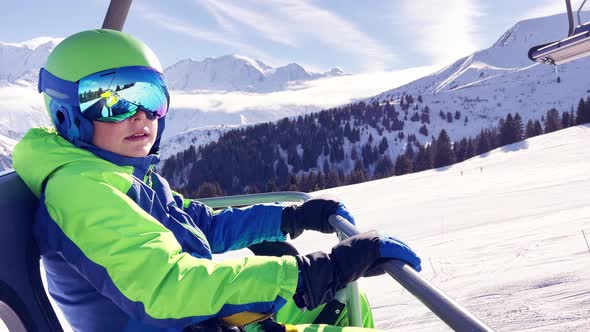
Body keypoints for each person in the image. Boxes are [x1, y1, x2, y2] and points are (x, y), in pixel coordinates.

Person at [12, 29, 422, 332]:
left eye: (150, 95)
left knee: (346, 303)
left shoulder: (117, 172)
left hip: (200, 320)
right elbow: (167, 289)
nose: (138, 115)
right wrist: (315, 271)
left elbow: (200, 224)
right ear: (67, 114)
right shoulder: (82, 190)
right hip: (182, 318)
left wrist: (289, 217)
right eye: (111, 100)